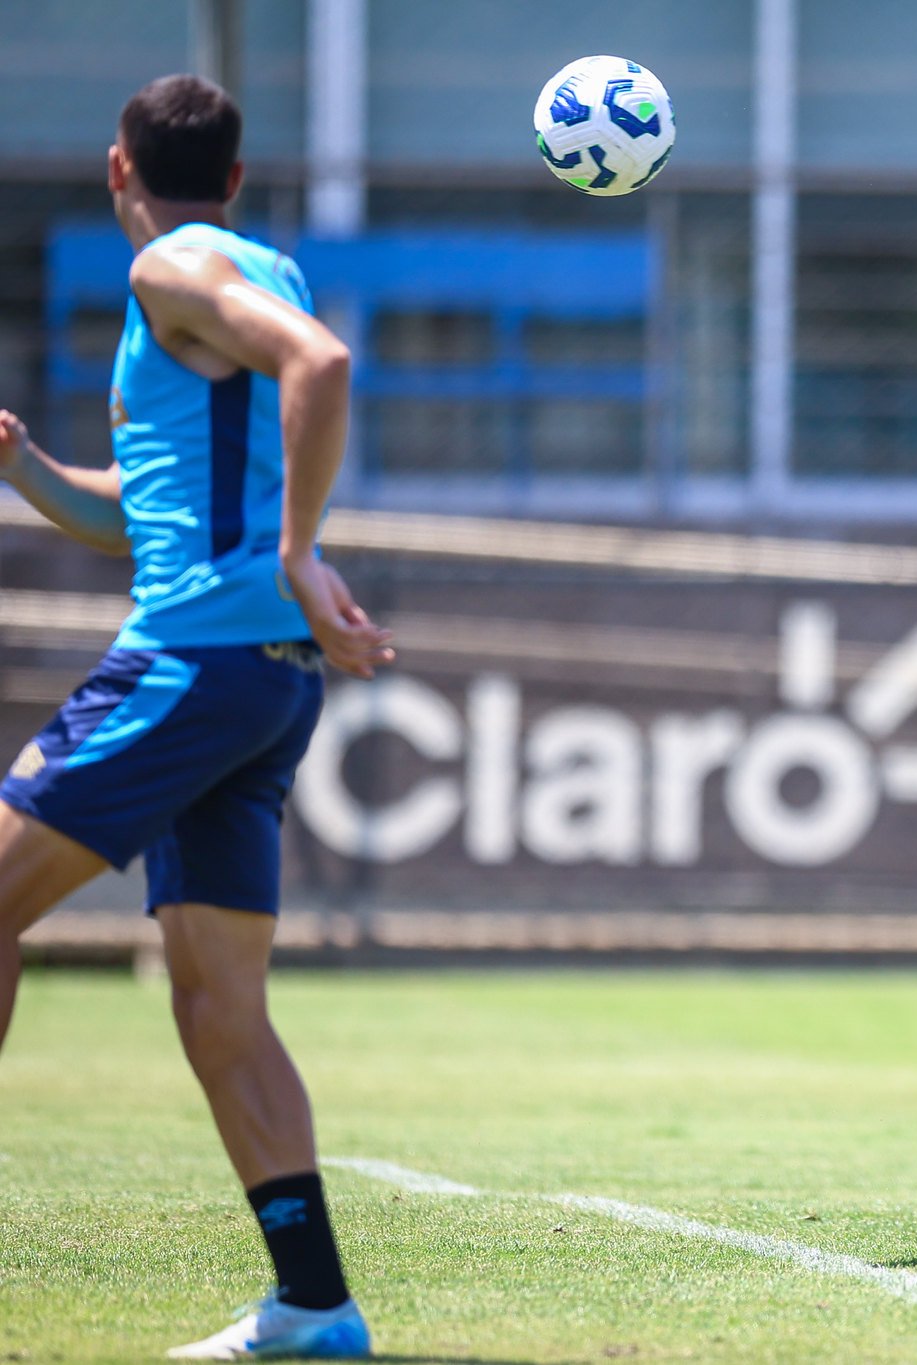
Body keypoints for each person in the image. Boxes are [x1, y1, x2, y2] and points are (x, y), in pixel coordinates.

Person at [0, 75, 393, 1357]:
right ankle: (316, 1306)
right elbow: (147, 508)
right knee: (219, 1001)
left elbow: (319, 368)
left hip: (192, 663)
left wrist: (294, 553)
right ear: (232, 177)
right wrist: (25, 472)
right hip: (264, 683)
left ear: (119, 169)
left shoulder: (172, 265)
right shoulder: (254, 262)